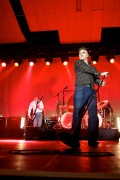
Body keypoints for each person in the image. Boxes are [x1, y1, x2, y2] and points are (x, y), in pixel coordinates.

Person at [59, 47, 109, 149]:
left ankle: (92, 140)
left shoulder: (92, 67)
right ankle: (74, 139)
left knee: (93, 115)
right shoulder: (78, 63)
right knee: (77, 113)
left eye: (83, 53)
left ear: (87, 55)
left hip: (91, 91)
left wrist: (100, 82)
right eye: (80, 53)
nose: (81, 54)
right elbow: (88, 70)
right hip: (81, 90)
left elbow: (95, 79)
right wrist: (100, 73)